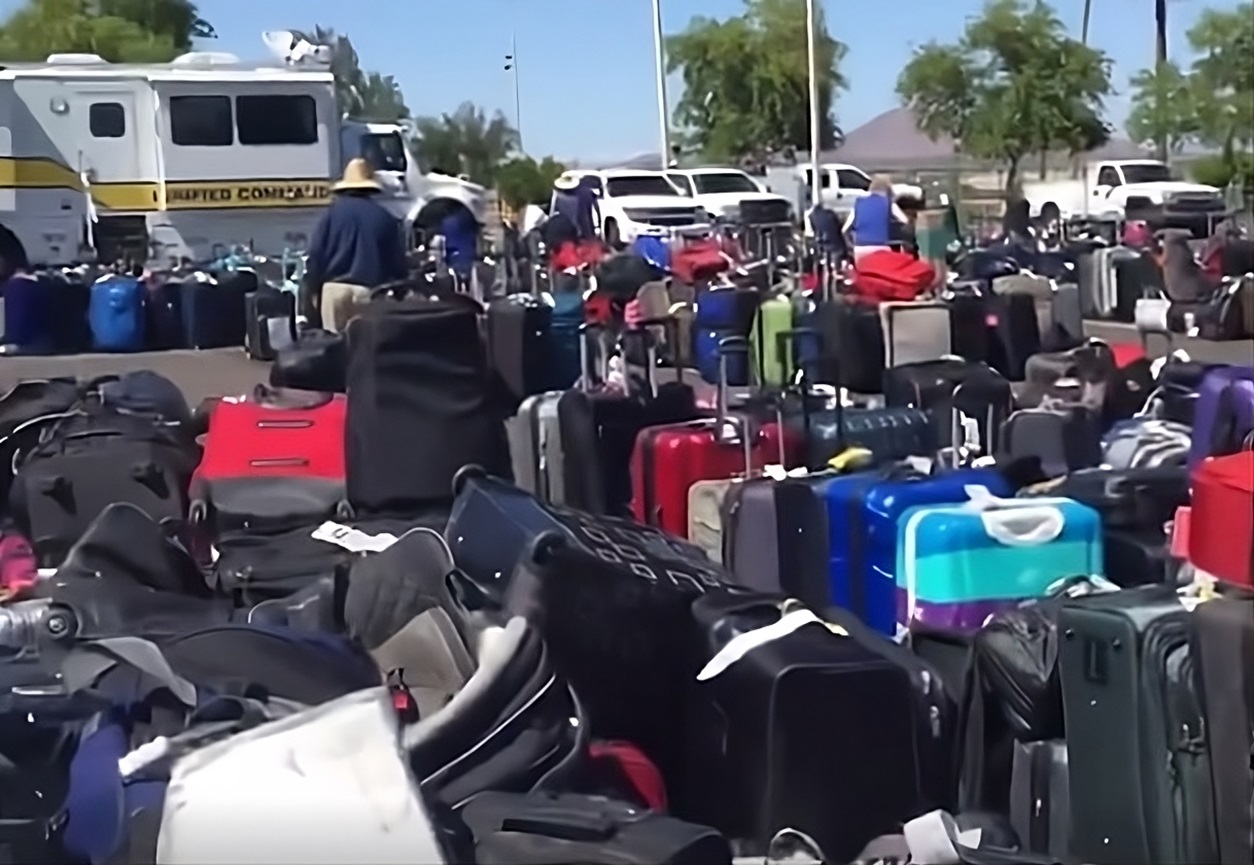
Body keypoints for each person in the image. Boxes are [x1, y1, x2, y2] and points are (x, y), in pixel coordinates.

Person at [305, 158, 407, 333]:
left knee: (335, 348)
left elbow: (315, 255)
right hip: (369, 292)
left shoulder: (330, 215)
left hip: (333, 291)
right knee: (366, 349)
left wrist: (313, 289)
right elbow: (396, 261)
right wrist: (400, 292)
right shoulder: (385, 217)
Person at [843, 175, 909, 262]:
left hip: (860, 247)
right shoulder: (889, 203)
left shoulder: (859, 203)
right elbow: (905, 221)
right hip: (880, 247)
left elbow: (845, 229)